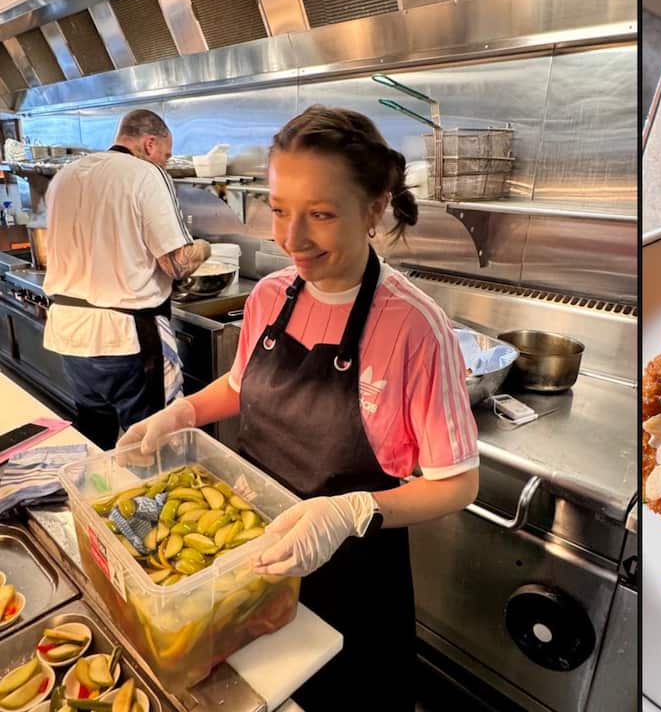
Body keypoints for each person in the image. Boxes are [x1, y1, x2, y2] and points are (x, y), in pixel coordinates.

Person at [119, 106, 479, 710]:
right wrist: (177, 414)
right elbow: (240, 385)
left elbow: (457, 483)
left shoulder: (416, 328)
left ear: (374, 210)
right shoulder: (270, 294)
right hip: (244, 560)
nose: (292, 239)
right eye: (281, 210)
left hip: (350, 580)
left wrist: (346, 512)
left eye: (321, 215)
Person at [43, 109, 211, 451]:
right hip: (125, 340)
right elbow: (177, 265)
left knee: (95, 434)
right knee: (152, 443)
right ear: (150, 144)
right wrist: (205, 249)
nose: (163, 163)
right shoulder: (146, 174)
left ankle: (96, 499)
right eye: (164, 155)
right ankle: (152, 503)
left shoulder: (65, 175)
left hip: (69, 334)